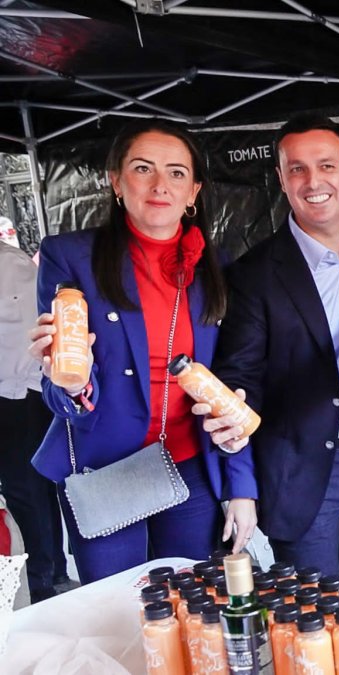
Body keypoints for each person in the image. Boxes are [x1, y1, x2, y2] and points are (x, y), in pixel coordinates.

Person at [26, 120, 257, 584]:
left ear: (194, 191)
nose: (159, 185)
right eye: (142, 168)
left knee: (189, 607)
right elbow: (60, 392)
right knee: (115, 610)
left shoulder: (219, 267)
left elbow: (229, 387)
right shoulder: (70, 257)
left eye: (176, 173)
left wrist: (242, 487)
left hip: (190, 464)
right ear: (116, 180)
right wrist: (71, 384)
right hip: (108, 466)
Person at [206, 114, 339, 576]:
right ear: (282, 180)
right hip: (306, 473)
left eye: (326, 166)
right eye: (297, 169)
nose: (313, 181)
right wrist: (240, 477)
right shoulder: (253, 275)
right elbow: (240, 378)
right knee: (315, 621)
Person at [1, 230, 67, 602]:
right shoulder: (12, 261)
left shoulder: (10, 265)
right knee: (33, 488)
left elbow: (36, 329)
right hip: (21, 391)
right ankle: (49, 568)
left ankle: (43, 577)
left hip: (19, 394)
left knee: (27, 489)